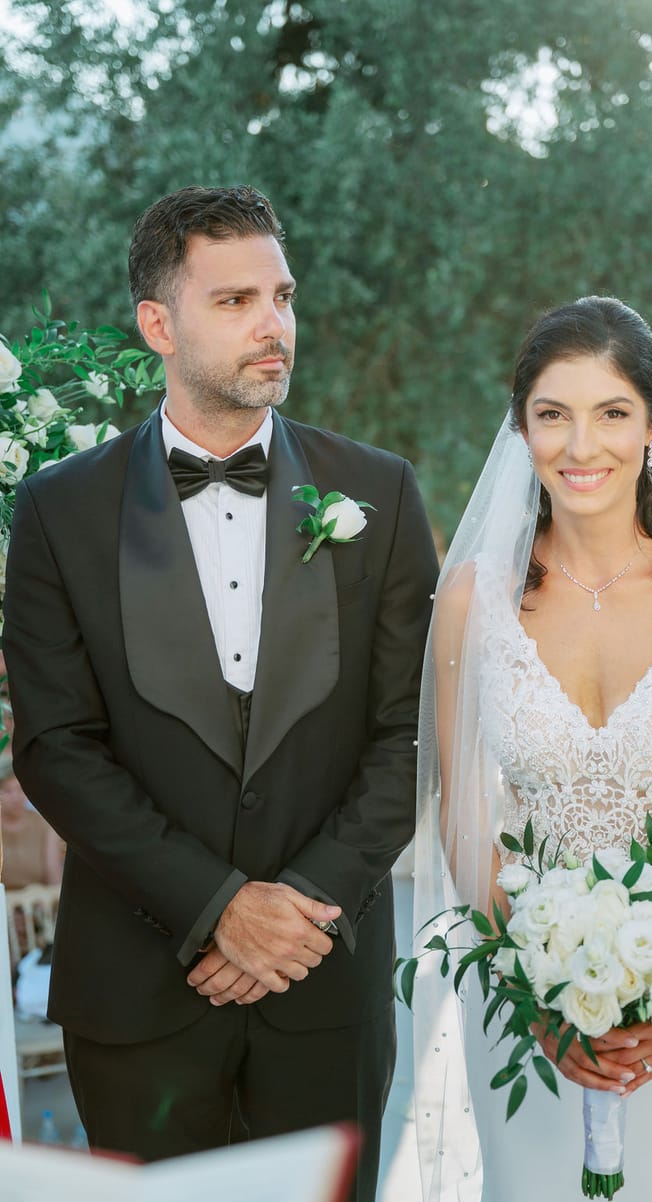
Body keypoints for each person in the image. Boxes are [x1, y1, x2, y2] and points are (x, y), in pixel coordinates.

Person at [2, 184, 438, 1200]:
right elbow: (58, 748)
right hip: (141, 998)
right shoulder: (60, 512)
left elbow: (408, 732)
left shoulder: (383, 492)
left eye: (280, 296)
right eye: (234, 300)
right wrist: (217, 908)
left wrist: (300, 910)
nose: (272, 324)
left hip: (321, 988)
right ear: (158, 323)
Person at [412, 297, 652, 1200]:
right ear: (522, 430)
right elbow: (460, 813)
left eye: (612, 413)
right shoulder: (473, 600)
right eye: (554, 415)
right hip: (524, 1008)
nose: (582, 447)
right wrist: (531, 981)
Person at [0, 751, 64, 889]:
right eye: (8, 791)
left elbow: (54, 879)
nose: (15, 797)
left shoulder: (44, 825)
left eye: (20, 790)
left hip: (34, 903)